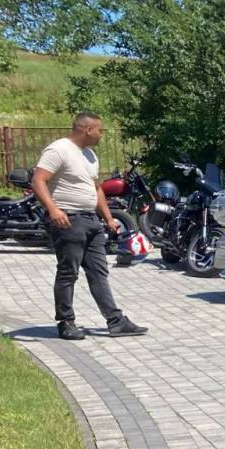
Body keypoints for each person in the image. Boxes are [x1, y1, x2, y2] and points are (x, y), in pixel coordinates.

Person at [31, 113, 148, 339]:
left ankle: (116, 321)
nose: (101, 135)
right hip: (68, 219)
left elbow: (96, 189)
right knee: (68, 271)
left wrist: (108, 218)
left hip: (91, 220)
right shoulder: (59, 150)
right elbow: (38, 180)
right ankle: (66, 322)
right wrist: (53, 209)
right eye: (99, 130)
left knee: (98, 271)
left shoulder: (89, 155)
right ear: (87, 129)